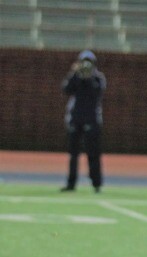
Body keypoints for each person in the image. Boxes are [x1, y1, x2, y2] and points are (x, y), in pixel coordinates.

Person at [60, 50, 106, 193]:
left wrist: (89, 77)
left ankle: (96, 183)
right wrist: (76, 74)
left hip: (92, 120)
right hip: (76, 119)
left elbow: (97, 92)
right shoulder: (75, 77)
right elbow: (66, 89)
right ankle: (71, 183)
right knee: (73, 154)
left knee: (93, 153)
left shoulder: (98, 78)